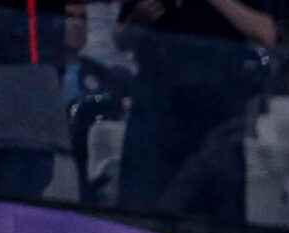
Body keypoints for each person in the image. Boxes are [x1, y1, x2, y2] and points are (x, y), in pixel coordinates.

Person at [115, 0, 278, 219]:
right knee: (139, 213)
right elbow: (120, 39)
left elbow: (265, 32)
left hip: (215, 116)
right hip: (155, 110)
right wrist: (138, 19)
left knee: (216, 221)